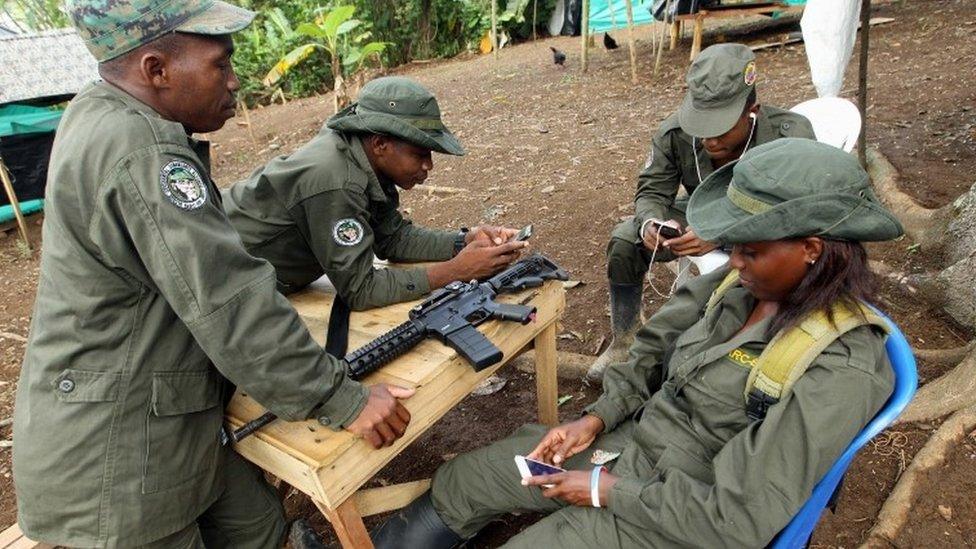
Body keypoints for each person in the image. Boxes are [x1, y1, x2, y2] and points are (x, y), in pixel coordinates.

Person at [368, 138, 905, 548]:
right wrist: (596, 419)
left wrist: (605, 493)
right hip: (630, 442)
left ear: (812, 248)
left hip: (687, 512)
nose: (733, 260)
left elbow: (740, 516)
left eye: (751, 250)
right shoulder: (734, 285)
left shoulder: (840, 365)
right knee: (469, 479)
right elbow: (649, 352)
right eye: (732, 244)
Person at [12, 1, 413, 547]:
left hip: (167, 410)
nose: (235, 81)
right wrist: (344, 398)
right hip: (119, 447)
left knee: (260, 529)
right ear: (156, 70)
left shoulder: (101, 109)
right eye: (220, 64)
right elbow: (228, 297)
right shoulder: (145, 150)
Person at [589, 43, 816, 381]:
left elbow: (800, 212)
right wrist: (651, 223)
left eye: (721, 127)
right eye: (702, 124)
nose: (709, 139)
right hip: (703, 209)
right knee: (624, 239)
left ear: (751, 110)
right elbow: (652, 189)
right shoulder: (674, 132)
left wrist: (723, 232)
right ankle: (626, 339)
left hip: (767, 228)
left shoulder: (791, 136)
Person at [223, 77, 526, 310]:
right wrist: (454, 271)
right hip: (223, 278)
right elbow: (360, 289)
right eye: (420, 153)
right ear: (380, 144)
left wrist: (464, 241)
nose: (428, 165)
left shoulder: (364, 155)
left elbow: (393, 238)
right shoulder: (337, 180)